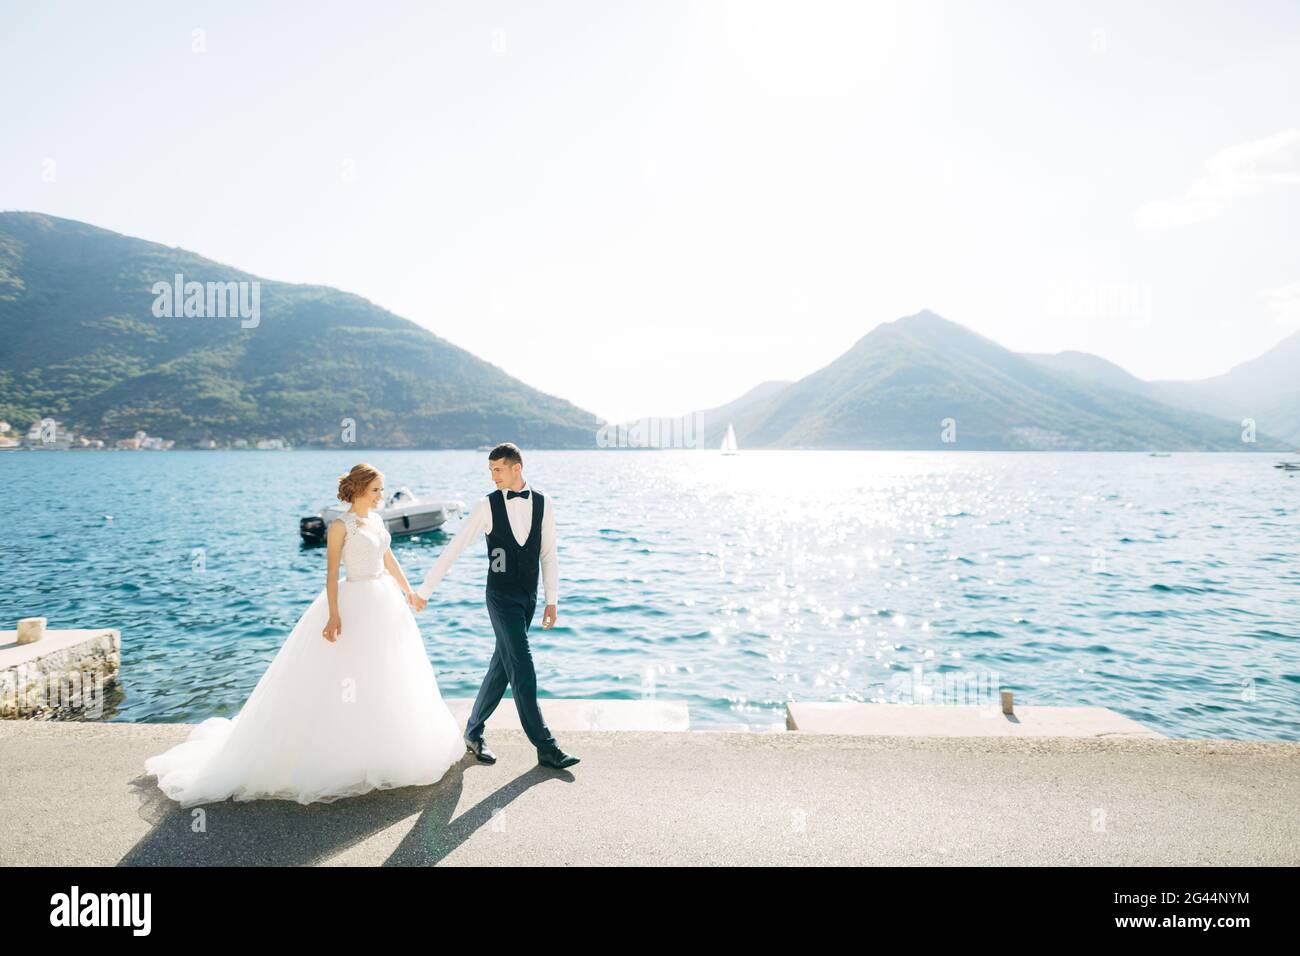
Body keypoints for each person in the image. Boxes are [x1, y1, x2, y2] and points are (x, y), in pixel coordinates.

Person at [142, 463, 466, 807]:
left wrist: (409, 592)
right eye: (375, 490)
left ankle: (384, 748)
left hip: (385, 602)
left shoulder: (376, 519)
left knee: (388, 674)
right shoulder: (340, 526)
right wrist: (334, 614)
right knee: (347, 676)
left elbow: (388, 559)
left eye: (381, 490)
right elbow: (330, 574)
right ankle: (341, 754)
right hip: (355, 601)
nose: (381, 496)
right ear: (358, 490)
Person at [412, 442, 579, 769]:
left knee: (502, 667)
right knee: (522, 666)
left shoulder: (543, 503)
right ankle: (545, 746)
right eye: (490, 471)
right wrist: (425, 589)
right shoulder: (486, 506)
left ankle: (473, 732)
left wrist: (551, 600)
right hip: (500, 598)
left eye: (498, 470)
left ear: (517, 468)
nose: (493, 477)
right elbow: (455, 547)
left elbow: (549, 555)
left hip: (528, 598)